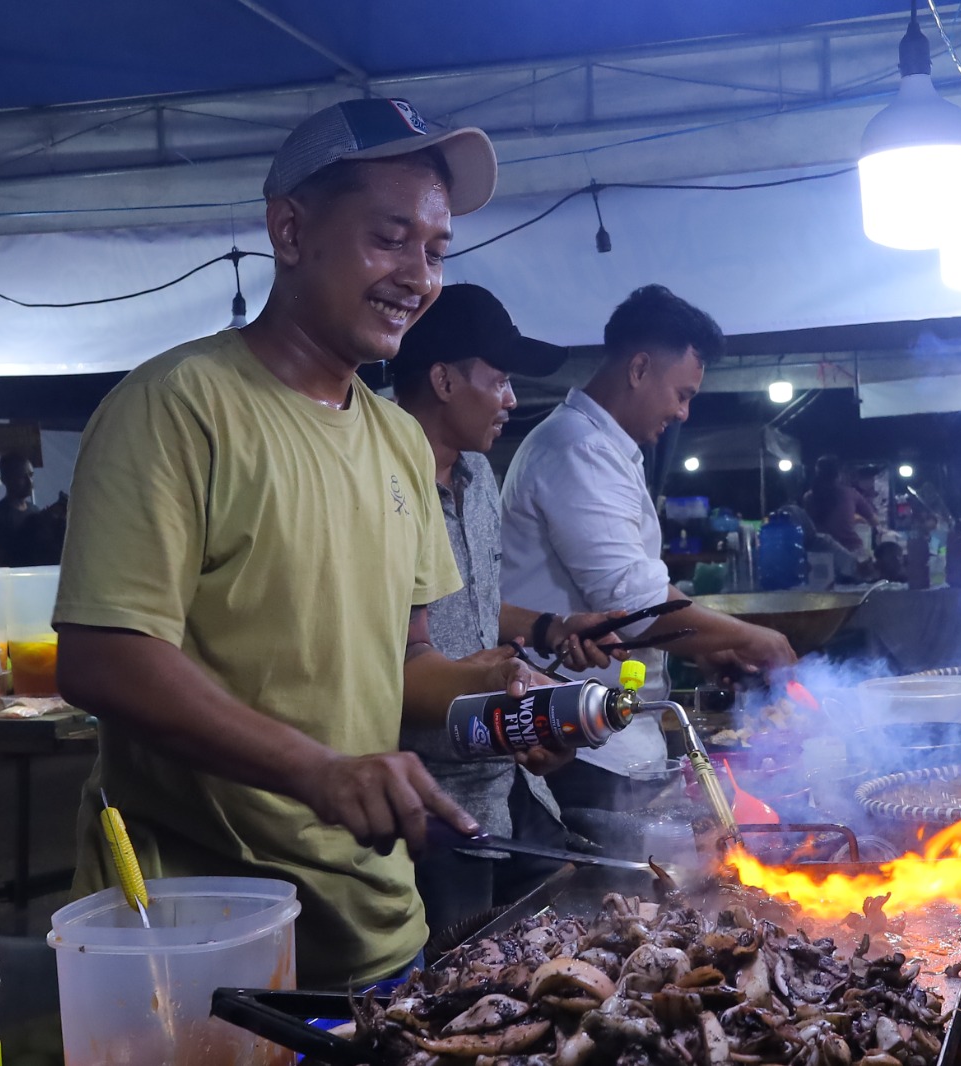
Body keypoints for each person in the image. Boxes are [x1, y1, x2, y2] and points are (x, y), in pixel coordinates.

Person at [52, 97, 538, 990]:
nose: (418, 276)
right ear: (290, 229)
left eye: (435, 251)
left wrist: (497, 690)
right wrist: (318, 772)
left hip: (381, 931)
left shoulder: (397, 437)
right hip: (207, 946)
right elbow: (103, 658)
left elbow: (406, 661)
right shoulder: (177, 406)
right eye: (390, 237)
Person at [390, 282, 630, 934]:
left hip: (505, 782)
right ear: (441, 380)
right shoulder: (375, 479)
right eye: (498, 380)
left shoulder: (477, 478)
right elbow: (390, 656)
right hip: (429, 803)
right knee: (461, 988)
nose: (511, 400)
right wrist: (497, 684)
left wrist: (551, 629)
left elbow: (472, 604)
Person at [500, 284, 797, 811]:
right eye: (681, 394)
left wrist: (712, 645)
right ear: (638, 369)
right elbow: (634, 609)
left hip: (611, 737)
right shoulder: (578, 449)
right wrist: (759, 640)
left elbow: (641, 582)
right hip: (578, 748)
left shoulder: (607, 449)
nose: (683, 414)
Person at [804, 454, 879, 561]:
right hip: (850, 551)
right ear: (839, 474)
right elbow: (874, 521)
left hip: (818, 553)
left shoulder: (808, 497)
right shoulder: (850, 494)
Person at [0, 451, 38, 566]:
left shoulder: (35, 511)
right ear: (6, 479)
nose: (29, 482)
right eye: (22, 476)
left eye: (31, 475)